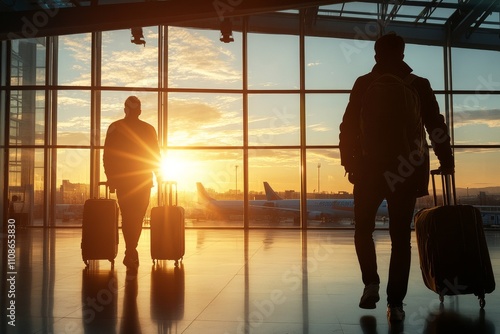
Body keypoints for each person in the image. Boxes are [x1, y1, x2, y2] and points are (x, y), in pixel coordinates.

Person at [339, 33, 454, 322]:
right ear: (402, 54)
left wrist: (349, 164)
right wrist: (446, 159)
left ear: (376, 55)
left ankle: (371, 284)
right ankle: (396, 304)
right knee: (400, 239)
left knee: (363, 230)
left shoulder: (364, 84)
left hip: (368, 170)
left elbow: (348, 127)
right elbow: (435, 127)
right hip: (406, 171)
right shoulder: (419, 85)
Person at [103, 96, 161, 272]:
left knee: (128, 216)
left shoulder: (115, 127)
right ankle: (131, 250)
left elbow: (108, 155)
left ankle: (131, 251)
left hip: (123, 181)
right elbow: (154, 155)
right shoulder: (149, 129)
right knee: (136, 217)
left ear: (124, 110)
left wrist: (111, 177)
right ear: (140, 111)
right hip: (143, 181)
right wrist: (159, 176)